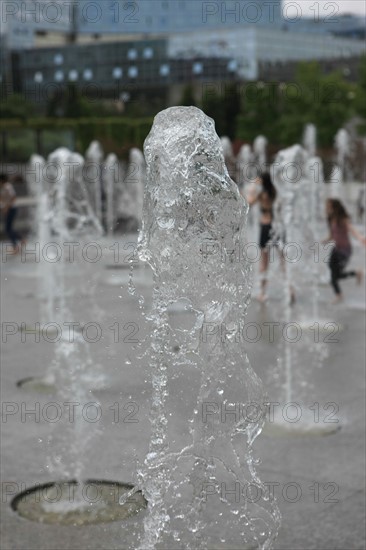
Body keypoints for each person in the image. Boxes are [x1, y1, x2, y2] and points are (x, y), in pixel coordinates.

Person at [323, 198, 366, 303]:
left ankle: (339, 295)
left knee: (334, 276)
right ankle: (356, 274)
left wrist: (360, 237)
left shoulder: (342, 218)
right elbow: (332, 235)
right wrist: (324, 240)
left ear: (334, 207)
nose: (326, 207)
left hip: (345, 251)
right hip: (336, 249)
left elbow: (351, 228)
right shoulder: (330, 218)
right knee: (333, 272)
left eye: (329, 205)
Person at [246, 172, 278, 302]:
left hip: (265, 228)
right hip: (277, 227)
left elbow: (249, 202)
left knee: (264, 263)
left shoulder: (261, 194)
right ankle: (290, 290)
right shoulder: (274, 192)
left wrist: (253, 186)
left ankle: (262, 293)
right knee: (283, 260)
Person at [0, 173, 22, 253]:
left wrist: (6, 207)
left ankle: (15, 246)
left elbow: (13, 198)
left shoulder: (7, 186)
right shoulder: (4, 187)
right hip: (9, 209)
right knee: (9, 227)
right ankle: (22, 240)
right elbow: (3, 197)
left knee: (8, 228)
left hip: (11, 209)